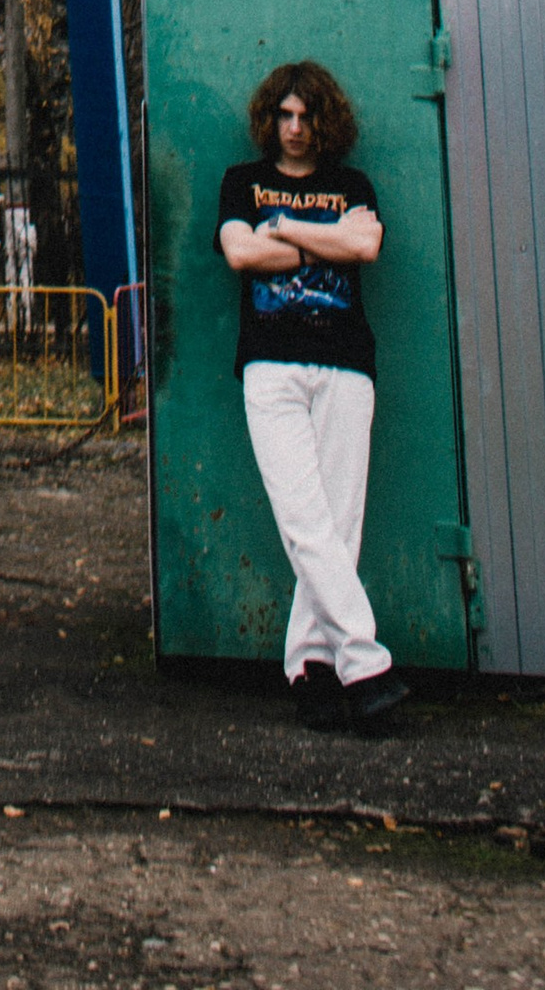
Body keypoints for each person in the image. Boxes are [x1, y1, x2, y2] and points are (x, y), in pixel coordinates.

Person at [217, 60, 409, 734]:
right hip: (270, 368)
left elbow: (368, 244)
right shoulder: (243, 184)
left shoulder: (350, 184)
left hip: (346, 366)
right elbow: (241, 254)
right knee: (303, 517)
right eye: (284, 116)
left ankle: (311, 667)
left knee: (339, 524)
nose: (294, 129)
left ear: (325, 121)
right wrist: (327, 245)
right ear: (269, 119)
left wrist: (288, 232)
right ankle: (366, 660)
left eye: (306, 117)